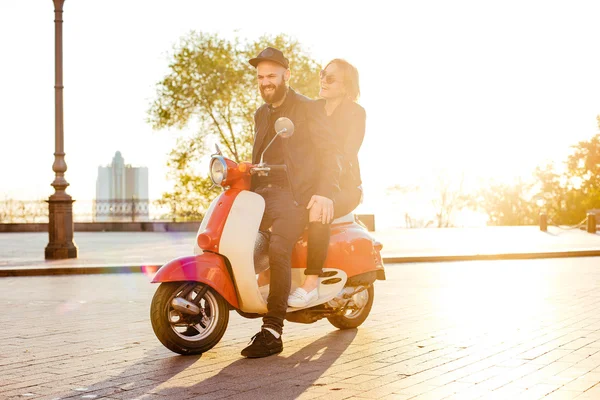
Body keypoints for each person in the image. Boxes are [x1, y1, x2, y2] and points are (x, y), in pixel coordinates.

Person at [241, 47, 342, 358]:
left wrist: (325, 191)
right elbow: (260, 157)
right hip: (261, 196)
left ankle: (272, 330)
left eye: (271, 76)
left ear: (287, 75)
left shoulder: (309, 109)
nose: (265, 82)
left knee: (277, 247)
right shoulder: (260, 113)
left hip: (296, 195)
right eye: (260, 77)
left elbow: (330, 155)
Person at [288, 59, 366, 307]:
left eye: (330, 78)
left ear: (346, 86)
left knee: (318, 209)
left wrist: (325, 191)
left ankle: (310, 284)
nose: (323, 79)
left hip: (344, 186)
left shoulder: (356, 113)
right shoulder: (313, 109)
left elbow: (346, 152)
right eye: (322, 74)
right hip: (314, 183)